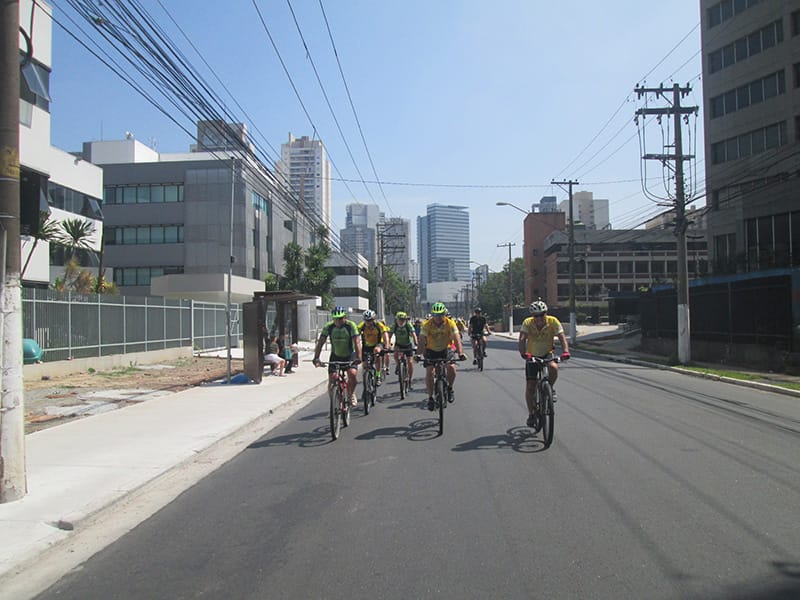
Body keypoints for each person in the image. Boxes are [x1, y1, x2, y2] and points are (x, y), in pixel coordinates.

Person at [518, 299, 570, 427]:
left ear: (546, 313)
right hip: (532, 355)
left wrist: (565, 351)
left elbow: (562, 337)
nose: (539, 318)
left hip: (547, 352)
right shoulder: (527, 323)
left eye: (542, 315)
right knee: (530, 386)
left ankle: (550, 388)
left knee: (554, 367)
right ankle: (531, 414)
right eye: (536, 316)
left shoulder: (553, 321)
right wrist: (524, 353)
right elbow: (522, 338)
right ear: (532, 316)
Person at [417, 302, 466, 411]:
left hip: (445, 349)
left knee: (452, 368)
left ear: (444, 314)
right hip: (431, 350)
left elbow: (457, 338)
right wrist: (418, 354)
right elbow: (421, 340)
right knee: (430, 372)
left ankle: (450, 388)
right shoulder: (427, 324)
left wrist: (461, 353)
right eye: (435, 315)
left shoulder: (450, 323)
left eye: (440, 315)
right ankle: (430, 397)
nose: (438, 318)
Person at [313, 307, 362, 406]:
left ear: (345, 317)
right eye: (335, 319)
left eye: (340, 319)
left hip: (349, 355)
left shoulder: (351, 326)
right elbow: (321, 342)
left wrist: (359, 357)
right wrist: (316, 357)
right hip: (336, 355)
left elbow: (357, 342)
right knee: (332, 379)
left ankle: (351, 393)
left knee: (352, 375)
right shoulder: (329, 326)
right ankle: (335, 401)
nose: (338, 321)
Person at [357, 309, 391, 386]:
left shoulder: (378, 325)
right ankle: (366, 379)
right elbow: (355, 335)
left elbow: (385, 335)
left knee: (376, 351)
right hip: (366, 345)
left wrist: (387, 345)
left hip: (377, 344)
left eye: (370, 320)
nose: (368, 322)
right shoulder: (362, 326)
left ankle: (378, 375)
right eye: (366, 320)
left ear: (373, 319)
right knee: (364, 365)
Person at [390, 311, 418, 389]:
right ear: (397, 319)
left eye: (403, 319)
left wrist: (416, 344)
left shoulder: (408, 325)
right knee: (395, 355)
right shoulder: (394, 326)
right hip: (398, 344)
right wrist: (388, 344)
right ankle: (398, 365)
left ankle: (410, 380)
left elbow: (414, 334)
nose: (401, 321)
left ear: (405, 320)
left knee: (410, 362)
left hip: (407, 344)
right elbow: (389, 335)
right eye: (400, 319)